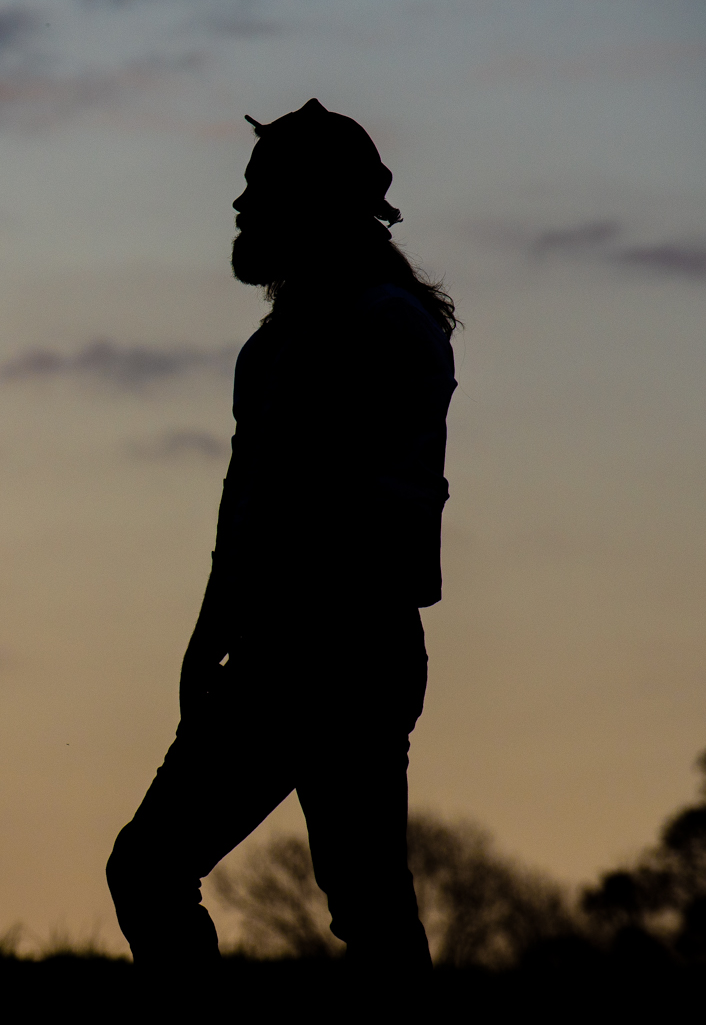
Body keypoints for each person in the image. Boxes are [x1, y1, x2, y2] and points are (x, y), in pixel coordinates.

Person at [106, 99, 458, 967]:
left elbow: (372, 508)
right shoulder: (271, 349)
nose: (239, 208)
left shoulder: (386, 326)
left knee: (362, 908)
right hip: (282, 652)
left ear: (317, 205)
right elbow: (248, 506)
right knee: (155, 870)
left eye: (261, 190)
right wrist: (212, 632)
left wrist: (272, 633)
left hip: (347, 650)